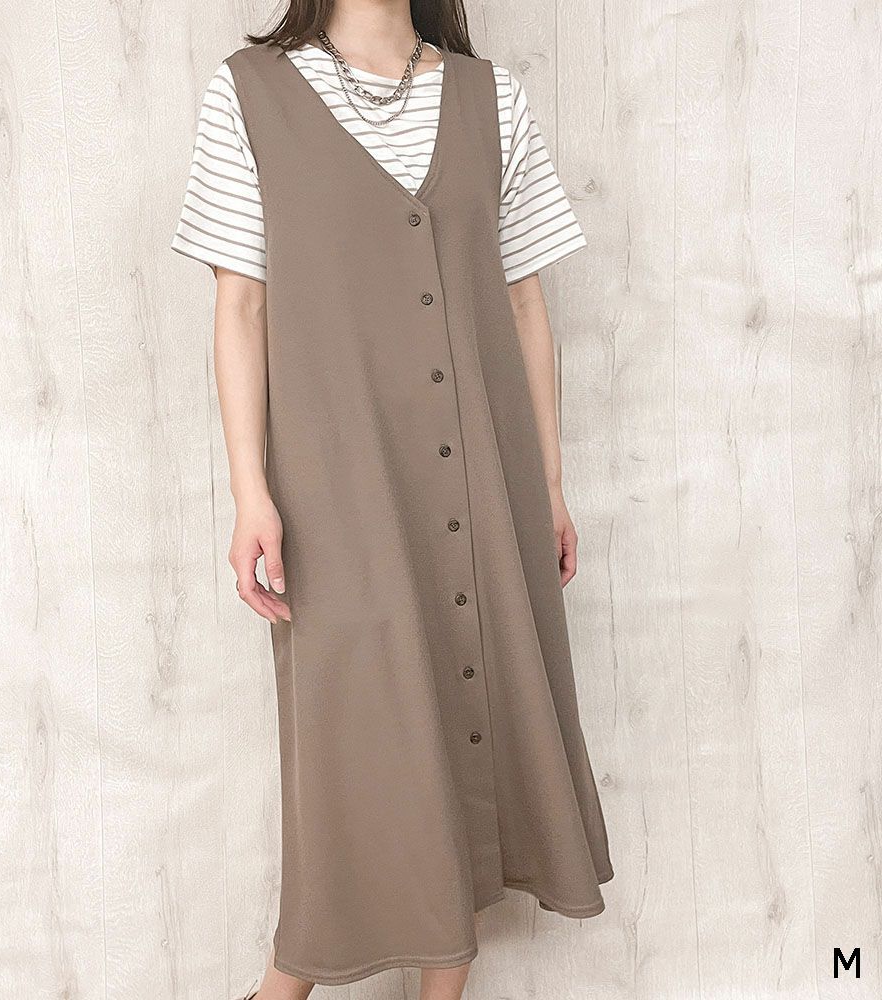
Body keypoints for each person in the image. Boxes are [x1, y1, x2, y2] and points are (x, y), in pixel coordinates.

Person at [171, 2, 613, 997]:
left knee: (474, 699)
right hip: (337, 481)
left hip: (488, 477)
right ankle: (285, 984)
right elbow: (240, 306)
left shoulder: (490, 98)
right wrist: (251, 491)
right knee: (358, 727)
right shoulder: (249, 94)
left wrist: (547, 486)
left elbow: (525, 302)